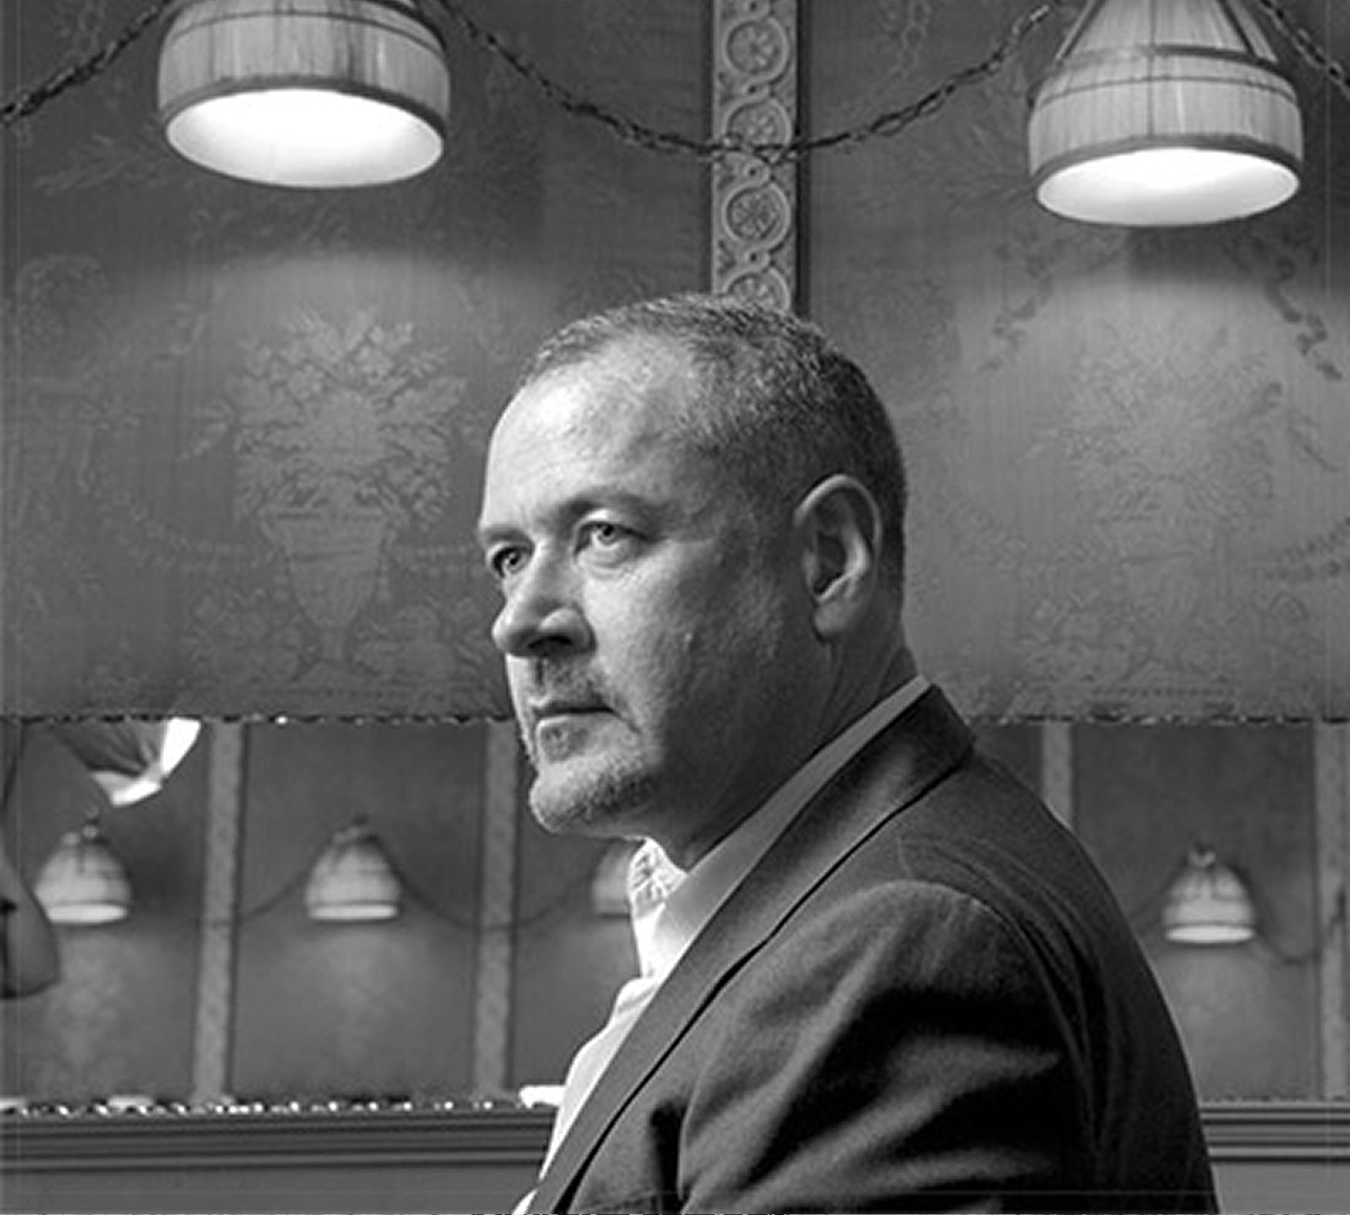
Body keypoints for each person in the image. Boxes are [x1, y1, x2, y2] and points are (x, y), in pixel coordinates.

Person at [476, 293, 1217, 1214]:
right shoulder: (824, 894)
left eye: (604, 535)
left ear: (829, 561)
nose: (520, 622)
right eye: (509, 557)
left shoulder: (901, 944)